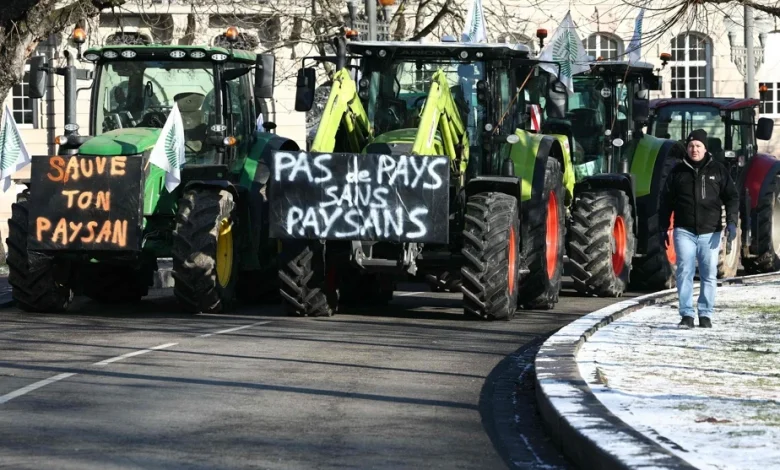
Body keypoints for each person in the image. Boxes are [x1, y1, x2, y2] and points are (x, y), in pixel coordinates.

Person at [659, 129, 738, 329]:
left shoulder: (718, 170)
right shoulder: (677, 172)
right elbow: (665, 201)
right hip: (684, 230)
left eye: (698, 146)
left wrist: (732, 222)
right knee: (684, 270)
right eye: (691, 146)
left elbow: (732, 197)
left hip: (710, 232)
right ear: (687, 148)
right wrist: (662, 228)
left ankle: (705, 314)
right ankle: (686, 315)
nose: (694, 149)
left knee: (708, 273)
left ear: (705, 148)